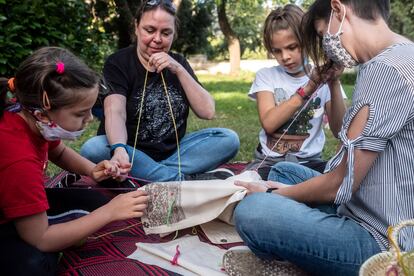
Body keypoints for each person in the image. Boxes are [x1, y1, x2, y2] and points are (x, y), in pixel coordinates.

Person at [230, 0, 414, 275]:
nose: (325, 44)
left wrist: (272, 193)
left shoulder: (385, 71)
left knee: (253, 210)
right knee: (283, 170)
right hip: (364, 202)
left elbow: (340, 183)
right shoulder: (400, 54)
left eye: (321, 34)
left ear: (339, 11)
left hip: (380, 239)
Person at [0, 47, 149, 276]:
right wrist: (110, 212)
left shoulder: (30, 120)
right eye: (81, 114)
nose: (89, 119)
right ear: (42, 114)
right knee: (37, 265)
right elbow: (40, 238)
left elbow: (58, 152)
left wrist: (92, 169)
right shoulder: (19, 160)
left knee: (93, 202)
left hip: (16, 198)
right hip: (11, 222)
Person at [80, 0, 240, 183]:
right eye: (149, 30)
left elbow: (207, 111)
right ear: (136, 27)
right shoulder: (118, 62)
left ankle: (152, 176)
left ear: (174, 34)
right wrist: (119, 149)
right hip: (130, 153)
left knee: (228, 138)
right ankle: (181, 181)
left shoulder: (178, 63)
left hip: (173, 154)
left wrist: (178, 69)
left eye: (166, 33)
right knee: (93, 148)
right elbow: (114, 112)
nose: (157, 39)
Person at [245, 4, 346, 179]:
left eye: (292, 47)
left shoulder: (324, 78)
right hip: (269, 163)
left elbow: (339, 131)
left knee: (336, 181)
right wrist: (308, 88)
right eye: (277, 51)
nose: (285, 57)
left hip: (310, 163)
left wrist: (334, 83)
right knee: (251, 187)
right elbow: (269, 123)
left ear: (307, 41)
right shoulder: (266, 76)